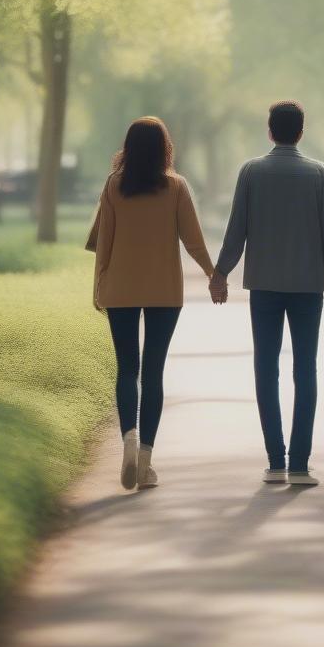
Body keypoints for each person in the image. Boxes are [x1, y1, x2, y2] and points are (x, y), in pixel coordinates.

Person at [210, 101, 324, 487]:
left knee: (265, 368)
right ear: (301, 132)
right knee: (305, 369)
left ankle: (275, 461)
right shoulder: (320, 174)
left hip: (264, 286)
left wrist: (220, 273)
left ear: (270, 131)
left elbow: (237, 230)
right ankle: (300, 464)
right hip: (306, 287)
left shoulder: (251, 172)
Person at [86, 117, 214, 491]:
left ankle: (127, 435)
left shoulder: (113, 186)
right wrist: (213, 275)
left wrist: (98, 287)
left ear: (129, 147)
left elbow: (104, 243)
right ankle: (144, 460)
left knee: (128, 368)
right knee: (154, 371)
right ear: (164, 148)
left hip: (121, 289)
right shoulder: (176, 187)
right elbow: (193, 241)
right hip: (164, 291)